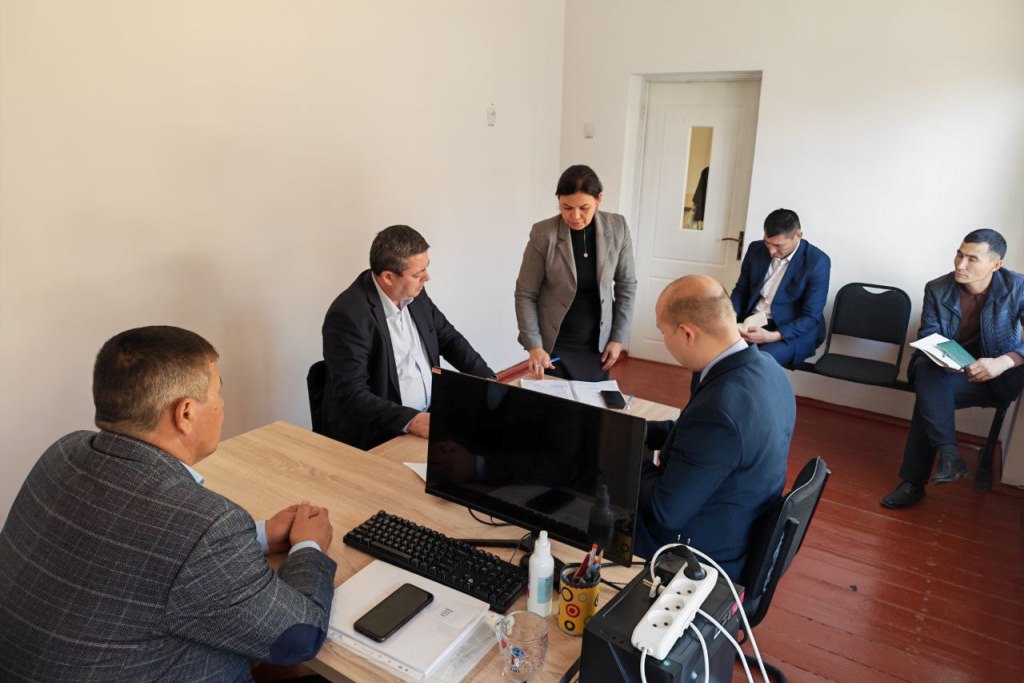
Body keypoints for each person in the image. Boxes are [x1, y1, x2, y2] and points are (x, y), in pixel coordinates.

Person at [0, 326, 336, 681]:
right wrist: (308, 546)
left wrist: (261, 535)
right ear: (185, 413)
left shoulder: (64, 453)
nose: (222, 405)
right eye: (218, 392)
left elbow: (139, 550)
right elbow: (299, 638)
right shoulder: (205, 525)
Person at [635, 275, 794, 580]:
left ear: (687, 333)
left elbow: (665, 510)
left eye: (663, 332)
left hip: (701, 556)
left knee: (588, 506)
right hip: (738, 523)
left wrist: (627, 453)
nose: (664, 340)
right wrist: (636, 430)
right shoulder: (769, 370)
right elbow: (701, 440)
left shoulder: (718, 411)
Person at [882, 229, 1024, 509]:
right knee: (927, 373)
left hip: (997, 377)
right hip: (952, 373)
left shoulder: (1018, 288)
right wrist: (957, 363)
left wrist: (1003, 362)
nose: (960, 264)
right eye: (959, 254)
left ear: (996, 265)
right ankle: (948, 456)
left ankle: (917, 480)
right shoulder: (937, 288)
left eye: (972, 259)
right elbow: (930, 335)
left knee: (930, 397)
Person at [322, 224, 494, 450]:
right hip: (384, 434)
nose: (427, 278)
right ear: (388, 277)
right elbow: (351, 394)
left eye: (426, 268)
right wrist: (411, 421)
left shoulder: (415, 294)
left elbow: (449, 338)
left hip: (430, 416)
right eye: (417, 274)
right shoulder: (348, 315)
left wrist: (487, 380)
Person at [515, 164, 637, 382]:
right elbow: (525, 294)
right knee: (554, 401)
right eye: (566, 207)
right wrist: (534, 346)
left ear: (599, 199)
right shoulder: (543, 234)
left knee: (592, 401)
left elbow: (626, 285)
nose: (575, 216)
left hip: (598, 344)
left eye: (584, 208)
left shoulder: (618, 228)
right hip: (555, 343)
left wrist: (618, 338)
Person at [731, 208, 830, 366]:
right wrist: (731, 315)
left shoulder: (817, 261)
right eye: (767, 242)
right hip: (752, 321)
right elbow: (741, 289)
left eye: (778, 245)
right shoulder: (756, 249)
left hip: (789, 330)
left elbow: (811, 317)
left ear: (798, 236)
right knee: (709, 353)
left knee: (756, 364)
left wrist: (772, 336)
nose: (771, 251)